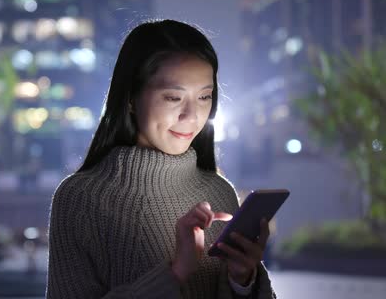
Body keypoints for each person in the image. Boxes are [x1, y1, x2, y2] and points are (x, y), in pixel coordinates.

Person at [46, 19, 277, 299]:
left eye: (205, 96)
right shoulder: (81, 199)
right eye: (173, 98)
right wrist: (175, 273)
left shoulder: (219, 191)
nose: (192, 116)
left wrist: (243, 280)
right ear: (131, 97)